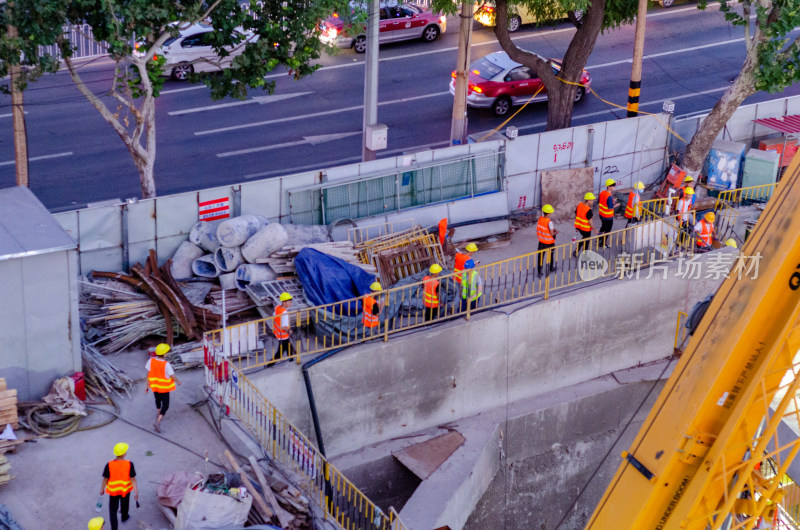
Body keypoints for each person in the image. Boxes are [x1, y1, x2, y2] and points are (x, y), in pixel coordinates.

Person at [100, 442, 138, 530]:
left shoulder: (109, 465)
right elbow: (133, 479)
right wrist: (136, 491)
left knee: (113, 511)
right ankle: (124, 518)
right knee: (125, 505)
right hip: (125, 490)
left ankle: (114, 528)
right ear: (123, 453)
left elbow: (105, 479)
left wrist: (102, 489)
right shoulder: (129, 464)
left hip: (113, 492)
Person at [145, 343, 181, 433]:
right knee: (166, 404)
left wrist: (147, 386)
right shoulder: (166, 364)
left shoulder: (151, 360)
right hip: (164, 388)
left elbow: (148, 374)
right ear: (164, 354)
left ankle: (158, 413)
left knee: (157, 400)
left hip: (155, 386)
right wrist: (178, 381)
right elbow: (172, 375)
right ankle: (158, 421)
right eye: (167, 352)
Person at [537, 204, 558, 276]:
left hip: (541, 242)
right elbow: (552, 234)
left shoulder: (540, 219)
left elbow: (543, 229)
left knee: (540, 257)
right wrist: (556, 232)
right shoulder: (549, 222)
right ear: (548, 214)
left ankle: (539, 272)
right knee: (550, 256)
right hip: (549, 243)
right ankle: (551, 268)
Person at [272, 292, 293, 362]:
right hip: (283, 335)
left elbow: (274, 316)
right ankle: (270, 363)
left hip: (277, 332)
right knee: (280, 352)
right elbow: (284, 327)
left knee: (289, 347)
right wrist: (289, 331)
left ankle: (291, 359)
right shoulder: (284, 313)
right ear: (284, 302)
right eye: (289, 302)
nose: (291, 304)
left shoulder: (277, 307)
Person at [598, 179, 617, 247]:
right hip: (608, 216)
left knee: (603, 227)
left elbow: (601, 202)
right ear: (608, 187)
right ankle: (602, 243)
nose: (614, 187)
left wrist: (612, 201)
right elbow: (610, 207)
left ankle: (599, 239)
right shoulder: (609, 196)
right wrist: (616, 205)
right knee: (607, 230)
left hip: (601, 214)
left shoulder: (602, 192)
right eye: (613, 185)